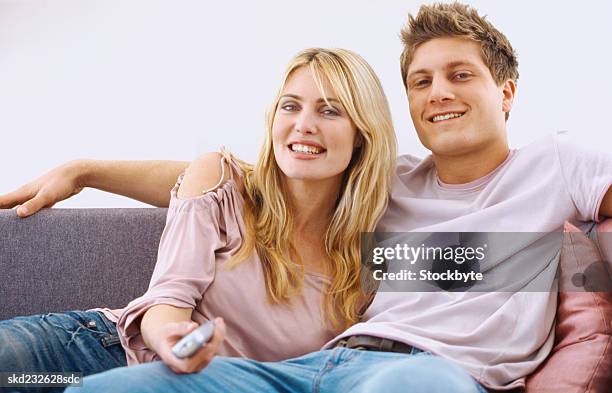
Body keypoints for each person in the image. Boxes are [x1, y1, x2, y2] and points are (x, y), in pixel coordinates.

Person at [2, 2, 611, 392]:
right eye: (421, 81)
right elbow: (237, 180)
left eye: (461, 75)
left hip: (423, 376)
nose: (438, 93)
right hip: (278, 362)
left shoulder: (556, 164)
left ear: (506, 92)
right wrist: (86, 170)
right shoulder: (391, 182)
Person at [0, 47, 397, 392]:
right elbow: (168, 297)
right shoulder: (222, 184)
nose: (303, 124)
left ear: (362, 133)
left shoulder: (376, 250)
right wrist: (172, 338)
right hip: (89, 354)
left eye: (329, 110)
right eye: (290, 106)